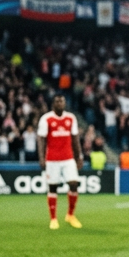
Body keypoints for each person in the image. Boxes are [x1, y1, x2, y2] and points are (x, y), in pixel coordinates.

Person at [37, 93, 83, 230]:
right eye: (57, 101)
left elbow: (75, 138)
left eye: (62, 101)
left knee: (74, 184)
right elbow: (41, 140)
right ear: (53, 104)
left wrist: (78, 156)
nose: (60, 104)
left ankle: (70, 215)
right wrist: (41, 157)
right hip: (52, 158)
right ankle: (53, 218)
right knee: (53, 187)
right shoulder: (46, 119)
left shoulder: (71, 118)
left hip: (68, 157)